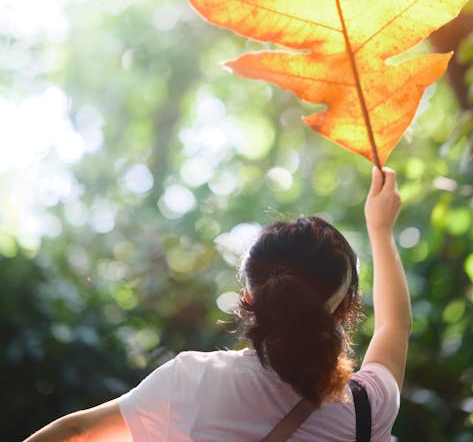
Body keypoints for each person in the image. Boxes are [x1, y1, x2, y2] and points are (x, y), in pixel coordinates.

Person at [22, 166, 411, 442]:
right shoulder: (366, 409)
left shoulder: (191, 382)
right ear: (344, 310)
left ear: (248, 297)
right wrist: (381, 229)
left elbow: (76, 434)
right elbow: (395, 327)